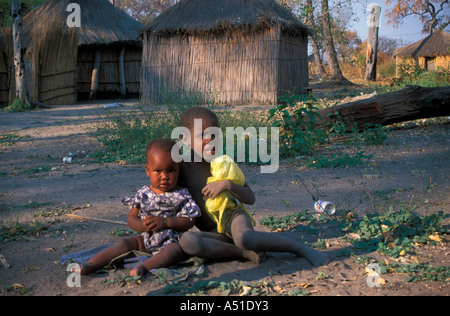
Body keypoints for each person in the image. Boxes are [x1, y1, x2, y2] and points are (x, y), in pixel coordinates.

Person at [177, 107, 329, 267]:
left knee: (244, 238)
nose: (210, 140)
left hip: (234, 220)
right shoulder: (180, 169)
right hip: (215, 234)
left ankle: (298, 248)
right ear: (185, 139)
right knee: (188, 241)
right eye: (202, 135)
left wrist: (227, 184)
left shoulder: (224, 164)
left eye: (215, 134)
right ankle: (243, 252)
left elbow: (250, 198)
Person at [81, 139, 201, 277]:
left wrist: (165, 222)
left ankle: (143, 268)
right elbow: (131, 217)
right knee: (124, 243)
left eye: (171, 171)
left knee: (175, 251)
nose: (164, 177)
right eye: (158, 171)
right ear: (147, 170)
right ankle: (91, 264)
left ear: (179, 170)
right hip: (146, 239)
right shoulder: (143, 194)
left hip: (172, 240)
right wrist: (141, 225)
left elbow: (189, 220)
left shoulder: (181, 195)